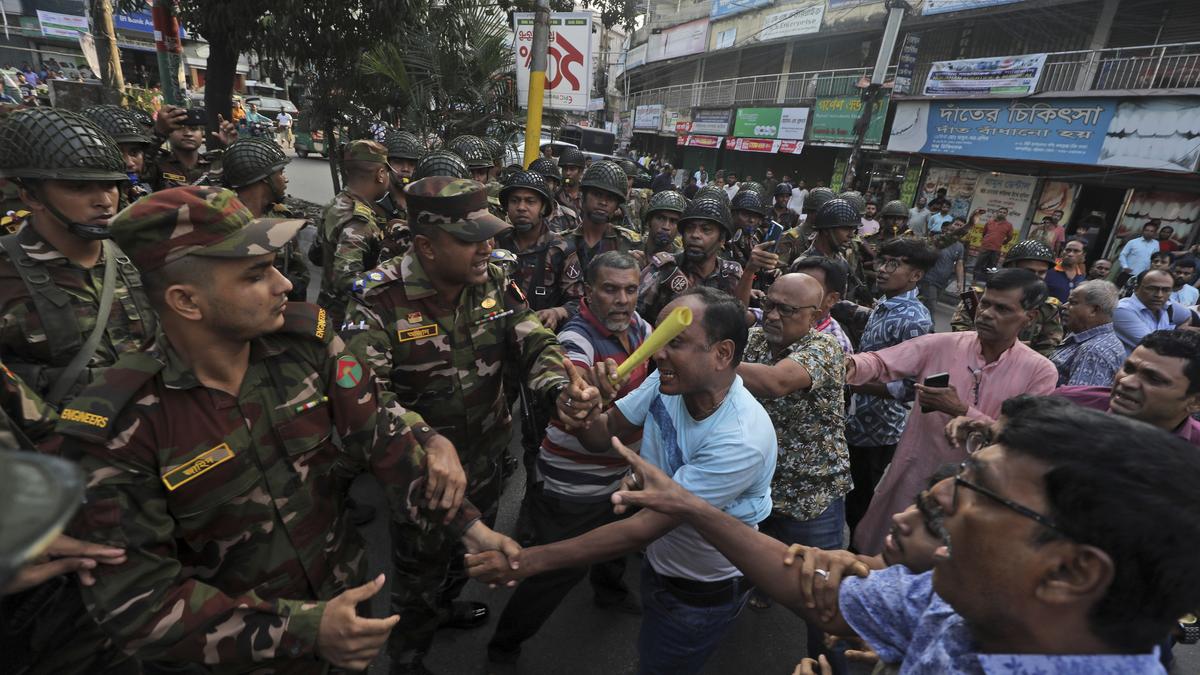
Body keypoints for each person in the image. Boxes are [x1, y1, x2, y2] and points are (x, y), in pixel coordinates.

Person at [55, 186, 520, 673]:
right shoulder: (119, 427)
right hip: (240, 654)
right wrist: (304, 629)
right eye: (256, 275)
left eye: (276, 265)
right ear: (186, 300)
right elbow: (139, 604)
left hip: (344, 604)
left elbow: (384, 439)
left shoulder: (305, 346)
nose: (283, 285)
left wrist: (470, 528)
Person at [594, 395, 1200, 675]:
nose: (941, 502)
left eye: (976, 492)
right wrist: (692, 507)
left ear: (1071, 572)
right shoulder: (954, 600)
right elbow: (820, 593)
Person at [339, 176, 582, 671]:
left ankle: (446, 606)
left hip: (488, 459)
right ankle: (408, 659)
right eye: (471, 239)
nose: (487, 247)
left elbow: (532, 338)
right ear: (426, 246)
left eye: (489, 235)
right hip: (422, 478)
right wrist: (427, 438)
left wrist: (562, 389)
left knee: (464, 558)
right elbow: (363, 398)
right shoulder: (377, 299)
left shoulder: (493, 279)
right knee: (418, 582)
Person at [468, 288, 778, 675]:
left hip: (700, 589)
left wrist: (525, 562)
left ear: (722, 354)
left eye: (674, 342)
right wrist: (584, 409)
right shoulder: (670, 382)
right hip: (662, 562)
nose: (656, 352)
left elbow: (641, 529)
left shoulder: (740, 440)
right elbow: (603, 434)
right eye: (657, 339)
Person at [0, 106, 159, 674]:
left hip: (148, 492)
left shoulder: (134, 260)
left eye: (111, 186)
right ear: (30, 193)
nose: (103, 200)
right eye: (80, 187)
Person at [487, 251, 651, 664]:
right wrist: (584, 398)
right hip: (571, 482)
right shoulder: (575, 338)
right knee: (556, 570)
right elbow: (572, 378)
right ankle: (504, 646)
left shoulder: (643, 328)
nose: (622, 300)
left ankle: (609, 591)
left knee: (615, 539)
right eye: (610, 289)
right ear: (587, 292)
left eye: (630, 289)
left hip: (622, 471)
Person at [846, 268, 1058, 554]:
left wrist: (962, 411)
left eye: (1002, 308)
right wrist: (845, 365)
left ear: (1029, 317)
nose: (986, 313)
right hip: (911, 482)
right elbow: (879, 363)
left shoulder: (1040, 371)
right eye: (985, 303)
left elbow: (1022, 442)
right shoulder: (942, 345)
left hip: (975, 498)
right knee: (876, 556)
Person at [737, 273, 852, 666]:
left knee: (820, 595)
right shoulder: (756, 339)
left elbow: (775, 382)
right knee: (750, 566)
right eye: (768, 304)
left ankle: (828, 666)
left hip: (811, 492)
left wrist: (711, 359)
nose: (772, 315)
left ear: (815, 315)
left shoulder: (824, 348)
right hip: (759, 485)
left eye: (786, 310)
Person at [843, 239, 936, 533]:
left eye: (893, 264)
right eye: (882, 261)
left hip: (877, 430)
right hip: (855, 420)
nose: (882, 269)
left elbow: (910, 387)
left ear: (916, 275)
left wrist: (855, 384)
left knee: (859, 502)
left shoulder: (913, 320)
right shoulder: (886, 303)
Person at [1053, 329, 1200, 445]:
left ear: (1195, 402)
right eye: (1128, 369)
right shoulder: (1066, 404)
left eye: (1153, 379)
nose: (1126, 382)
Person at [637, 196, 755, 323]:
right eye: (690, 228)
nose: (695, 235)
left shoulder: (731, 274)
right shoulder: (663, 268)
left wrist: (750, 271)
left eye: (706, 230)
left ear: (722, 239)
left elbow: (738, 321)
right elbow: (634, 318)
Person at [221, 137, 310, 301]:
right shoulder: (222, 221)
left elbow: (299, 272)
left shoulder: (281, 217)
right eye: (281, 172)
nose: (286, 179)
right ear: (264, 178)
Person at [313, 140, 390, 328]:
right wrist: (387, 274)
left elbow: (315, 255)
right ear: (380, 175)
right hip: (345, 322)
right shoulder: (358, 221)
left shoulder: (335, 204)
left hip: (324, 313)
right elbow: (347, 280)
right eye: (387, 172)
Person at [494, 170, 581, 331]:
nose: (521, 207)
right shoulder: (495, 243)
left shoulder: (561, 250)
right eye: (515, 201)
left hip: (541, 339)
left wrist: (557, 312)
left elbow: (579, 302)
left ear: (543, 207)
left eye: (530, 201)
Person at [952, 239, 1064, 357]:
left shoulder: (1048, 308)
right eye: (1029, 271)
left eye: (1041, 273)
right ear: (1011, 268)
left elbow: (1048, 350)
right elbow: (959, 335)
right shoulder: (977, 298)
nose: (1035, 278)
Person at [561, 160, 643, 283]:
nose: (603, 202)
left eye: (610, 198)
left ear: (616, 206)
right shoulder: (562, 243)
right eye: (597, 195)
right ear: (583, 198)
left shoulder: (629, 243)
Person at [1050, 280, 1125, 386]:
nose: (1064, 306)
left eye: (1073, 302)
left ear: (1094, 310)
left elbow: (1078, 399)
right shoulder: (1085, 336)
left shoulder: (1094, 350)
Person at [81, 105, 156, 202]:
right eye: (117, 153)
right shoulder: (86, 203)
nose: (129, 163)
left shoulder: (143, 195)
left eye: (134, 152)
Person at [1112, 269, 1193, 353]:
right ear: (1136, 289)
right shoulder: (1122, 310)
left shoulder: (1167, 304)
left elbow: (1190, 316)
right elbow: (1155, 347)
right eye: (1151, 288)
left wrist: (1182, 329)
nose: (1159, 295)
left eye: (1166, 290)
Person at [790, 257, 855, 355]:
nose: (796, 291)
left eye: (807, 287)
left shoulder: (836, 347)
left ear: (831, 299)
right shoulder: (779, 314)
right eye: (794, 284)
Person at [917, 219, 967, 315]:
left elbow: (959, 264)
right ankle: (930, 328)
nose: (958, 227)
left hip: (943, 281)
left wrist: (960, 282)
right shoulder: (937, 239)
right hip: (929, 278)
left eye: (961, 226)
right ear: (950, 226)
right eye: (956, 224)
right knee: (931, 304)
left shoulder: (960, 247)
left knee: (929, 303)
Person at [528, 156, 581, 234]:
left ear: (555, 185)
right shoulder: (521, 212)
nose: (542, 185)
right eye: (538, 180)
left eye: (547, 181)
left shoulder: (569, 216)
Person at [972, 207, 1015, 282]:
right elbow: (984, 233)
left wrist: (1003, 242)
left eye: (1004, 212)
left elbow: (1010, 237)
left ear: (1006, 214)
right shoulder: (989, 222)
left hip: (996, 249)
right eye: (1000, 212)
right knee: (979, 264)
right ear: (997, 212)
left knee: (992, 268)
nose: (1002, 213)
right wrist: (986, 241)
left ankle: (988, 283)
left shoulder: (1009, 225)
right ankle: (974, 280)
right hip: (985, 247)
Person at [641, 189, 685, 261]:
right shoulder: (629, 246)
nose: (666, 226)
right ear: (649, 221)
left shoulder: (682, 261)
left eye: (673, 221)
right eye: (660, 218)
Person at [1043, 237, 1088, 302]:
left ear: (1083, 255)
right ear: (1062, 252)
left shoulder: (1081, 277)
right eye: (1068, 250)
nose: (1070, 254)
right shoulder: (1048, 269)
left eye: (1076, 251)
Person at [556, 147, 587, 216]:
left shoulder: (586, 195)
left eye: (572, 169)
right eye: (565, 169)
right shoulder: (556, 193)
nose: (567, 173)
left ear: (581, 171)